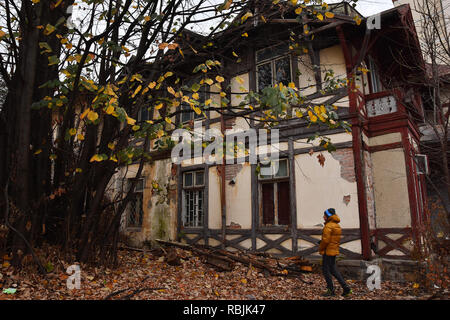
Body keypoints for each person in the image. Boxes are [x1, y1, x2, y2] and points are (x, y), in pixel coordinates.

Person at [318, 208, 352, 297]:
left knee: (326, 270)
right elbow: (333, 240)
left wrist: (321, 247)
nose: (323, 217)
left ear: (328, 216)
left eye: (324, 215)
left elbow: (326, 240)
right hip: (333, 250)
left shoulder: (328, 226)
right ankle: (346, 288)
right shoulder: (336, 225)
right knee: (333, 269)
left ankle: (331, 290)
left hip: (328, 251)